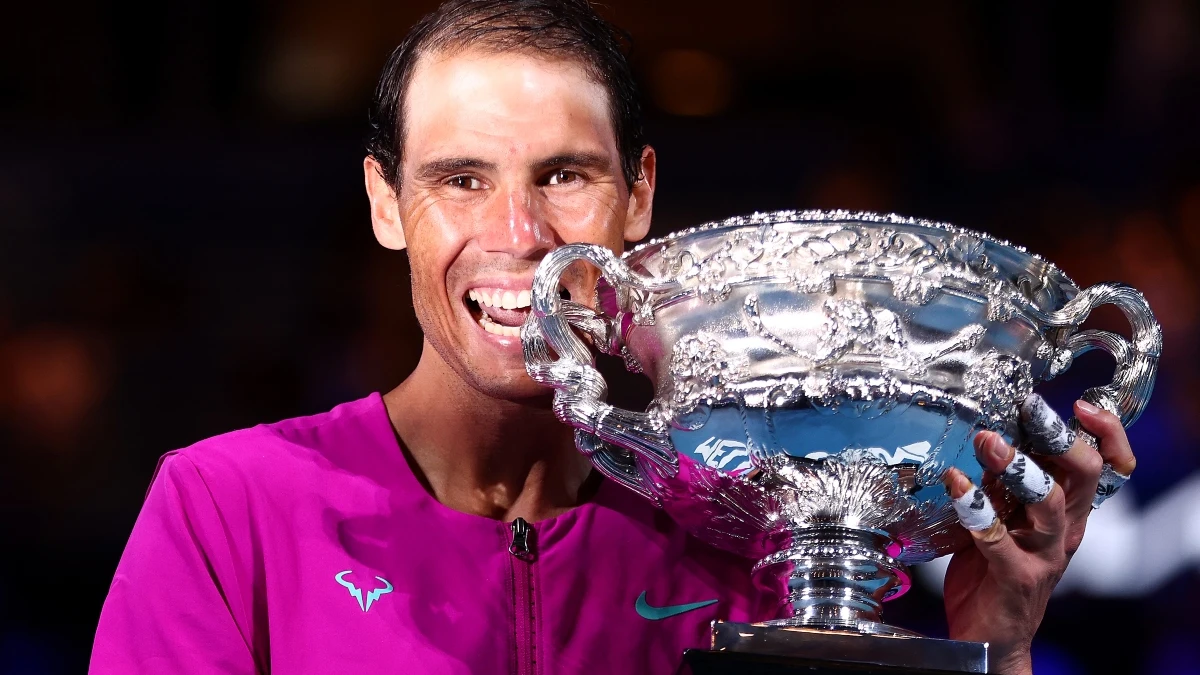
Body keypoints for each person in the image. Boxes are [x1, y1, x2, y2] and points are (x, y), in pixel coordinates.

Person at [90, 1, 1137, 673]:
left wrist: (993, 649)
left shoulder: (758, 534)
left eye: (563, 176)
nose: (518, 239)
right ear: (382, 202)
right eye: (461, 180)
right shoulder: (226, 512)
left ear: (637, 196)